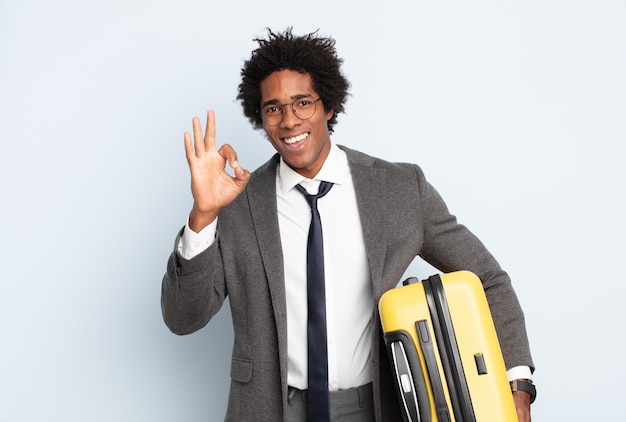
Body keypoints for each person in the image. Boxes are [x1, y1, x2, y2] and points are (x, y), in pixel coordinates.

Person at [161, 28, 535, 422]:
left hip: (376, 406)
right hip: (270, 409)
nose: (289, 121)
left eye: (302, 103)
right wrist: (203, 215)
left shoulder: (399, 189)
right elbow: (183, 318)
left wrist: (517, 386)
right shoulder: (237, 203)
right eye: (273, 109)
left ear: (330, 106)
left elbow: (488, 279)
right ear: (261, 118)